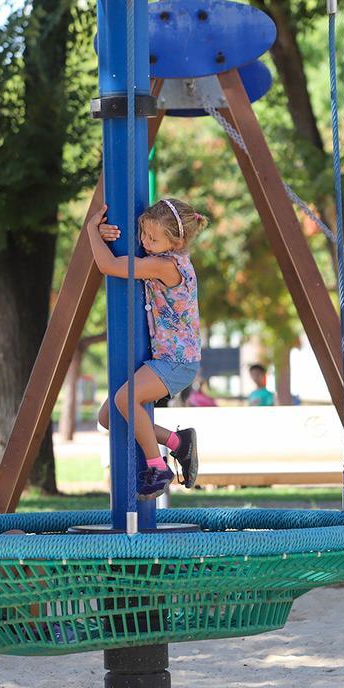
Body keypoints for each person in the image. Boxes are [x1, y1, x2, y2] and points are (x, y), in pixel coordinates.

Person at [91, 198, 203, 500]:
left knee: (126, 399)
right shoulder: (166, 258)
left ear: (176, 241)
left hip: (177, 362)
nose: (144, 242)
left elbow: (109, 265)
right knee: (109, 418)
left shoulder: (165, 264)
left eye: (152, 238)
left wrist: (91, 230)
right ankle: (178, 444)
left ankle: (157, 467)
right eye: (143, 234)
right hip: (166, 359)